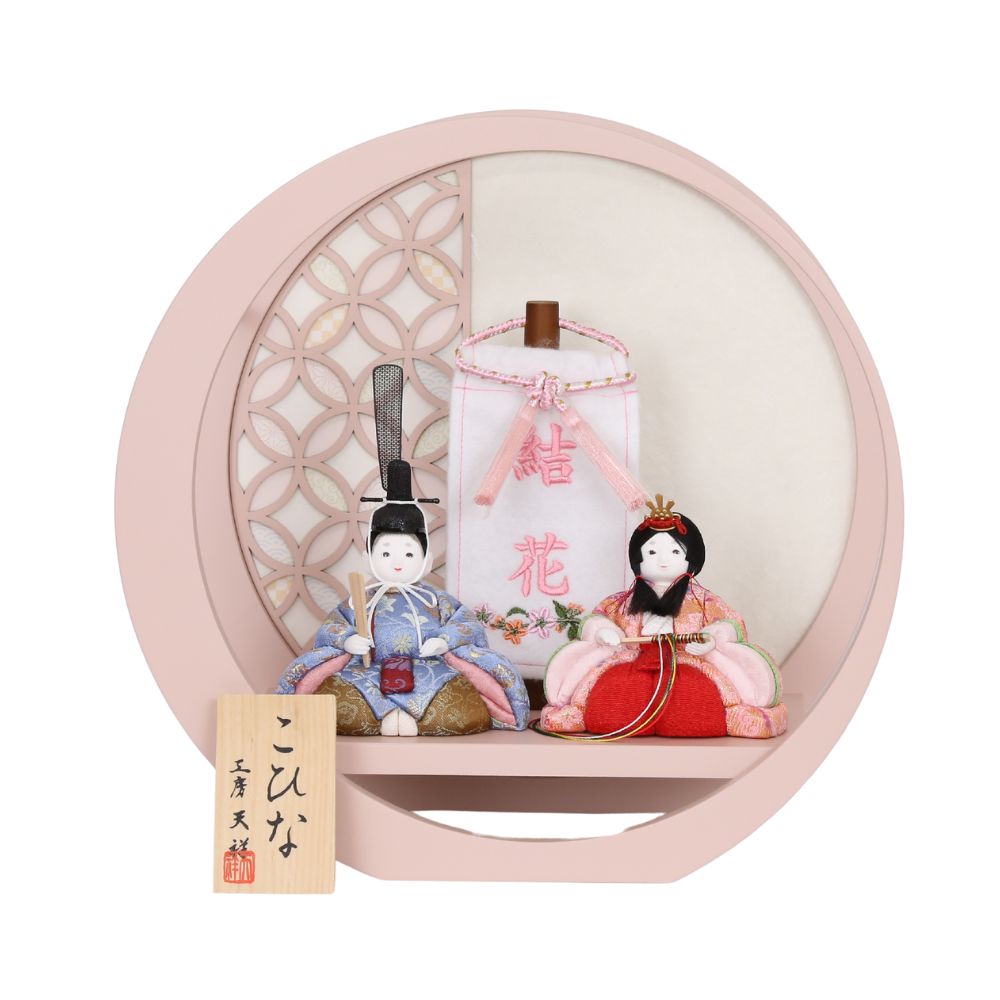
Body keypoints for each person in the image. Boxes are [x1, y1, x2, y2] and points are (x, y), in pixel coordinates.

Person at [276, 457, 530, 736]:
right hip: (367, 672)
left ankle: (405, 718)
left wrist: (444, 641)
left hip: (431, 671)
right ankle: (389, 718)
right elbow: (333, 626)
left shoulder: (436, 601)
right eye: (386, 553)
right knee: (341, 701)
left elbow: (466, 624)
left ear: (426, 559)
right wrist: (347, 640)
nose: (397, 562)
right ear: (368, 557)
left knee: (457, 702)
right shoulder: (360, 600)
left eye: (409, 553)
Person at [540, 496, 787, 739]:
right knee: (612, 699)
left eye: (674, 551)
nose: (663, 560)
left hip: (687, 662)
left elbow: (730, 624)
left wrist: (711, 640)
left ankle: (739, 717)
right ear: (638, 559)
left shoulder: (705, 602)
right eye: (652, 552)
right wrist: (604, 632)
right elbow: (598, 619)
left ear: (691, 558)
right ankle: (577, 713)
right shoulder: (621, 601)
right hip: (631, 663)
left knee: (692, 702)